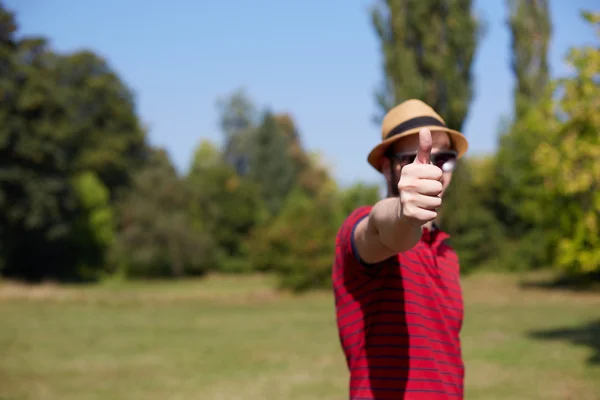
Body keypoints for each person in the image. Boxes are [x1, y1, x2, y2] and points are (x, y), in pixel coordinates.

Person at [332, 99, 469, 399]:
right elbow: (386, 230)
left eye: (443, 157)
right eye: (413, 158)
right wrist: (405, 215)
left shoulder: (447, 253)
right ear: (386, 167)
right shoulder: (360, 226)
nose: (431, 169)